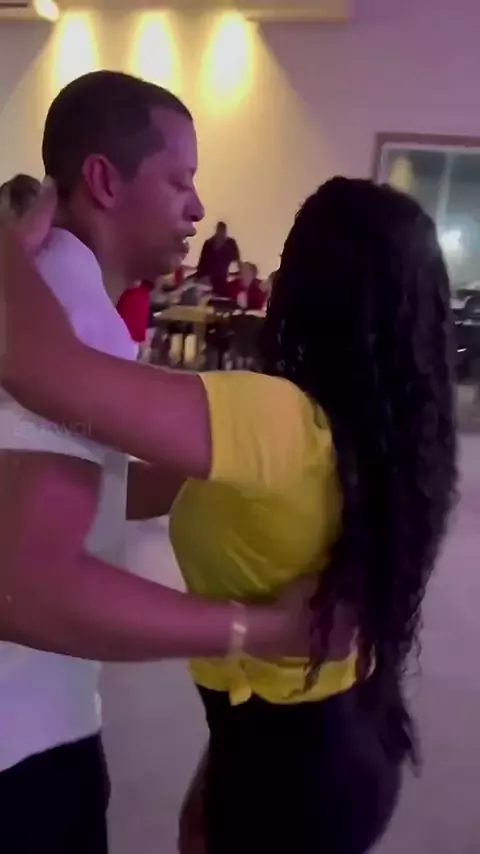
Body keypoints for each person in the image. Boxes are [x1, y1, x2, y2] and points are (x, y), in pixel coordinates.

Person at [1, 175, 457, 853]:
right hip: (308, 733)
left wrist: (7, 250)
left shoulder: (273, 417)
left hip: (296, 771)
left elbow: (32, 361)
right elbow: (145, 490)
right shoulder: (361, 424)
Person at [0, 72, 334, 854]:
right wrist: (259, 627)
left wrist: (251, 462)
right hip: (21, 746)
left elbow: (96, 487)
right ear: (104, 181)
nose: (196, 207)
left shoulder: (51, 302)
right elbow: (26, 589)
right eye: (180, 181)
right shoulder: (69, 320)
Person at [196, 220, 240, 296]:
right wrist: (200, 275)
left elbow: (237, 260)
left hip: (221, 277)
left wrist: (237, 273)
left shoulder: (230, 243)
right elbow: (202, 262)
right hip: (210, 277)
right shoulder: (209, 243)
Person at [116, 280, 154, 356]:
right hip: (132, 338)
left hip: (121, 333)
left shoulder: (130, 294)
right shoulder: (142, 295)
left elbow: (118, 311)